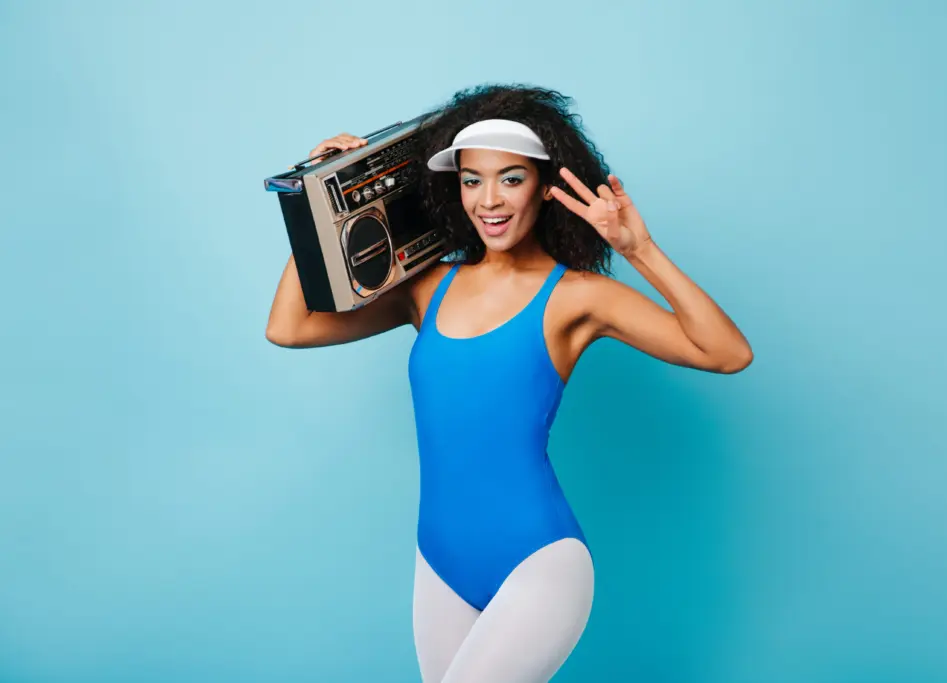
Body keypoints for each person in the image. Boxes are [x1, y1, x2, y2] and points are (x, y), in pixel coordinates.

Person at [265, 84, 753, 683]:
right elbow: (290, 328)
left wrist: (639, 249)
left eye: (510, 179)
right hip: (439, 564)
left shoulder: (577, 297)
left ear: (546, 186)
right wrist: (316, 201)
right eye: (472, 180)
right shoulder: (428, 287)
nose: (488, 200)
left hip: (539, 563)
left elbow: (726, 352)